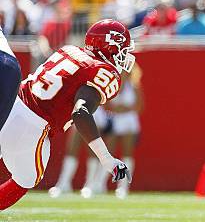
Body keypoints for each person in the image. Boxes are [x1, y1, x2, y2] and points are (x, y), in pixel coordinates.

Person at [0, 19, 133, 210]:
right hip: (32, 125)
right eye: (122, 49)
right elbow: (81, 112)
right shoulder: (104, 72)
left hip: (9, 102)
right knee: (27, 178)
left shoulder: (70, 50)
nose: (124, 55)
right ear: (109, 48)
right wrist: (107, 159)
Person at [103, 65, 144, 198]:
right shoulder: (113, 85)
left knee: (127, 153)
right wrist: (115, 109)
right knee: (108, 152)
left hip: (129, 122)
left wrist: (125, 109)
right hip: (114, 121)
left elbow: (140, 107)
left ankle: (123, 186)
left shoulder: (135, 86)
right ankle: (98, 183)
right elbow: (105, 103)